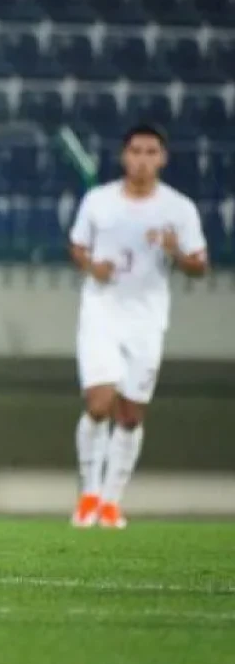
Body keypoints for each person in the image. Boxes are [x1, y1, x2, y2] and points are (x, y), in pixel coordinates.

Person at [68, 123, 208, 530]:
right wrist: (92, 265)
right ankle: (89, 494)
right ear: (124, 156)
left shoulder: (178, 209)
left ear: (162, 158)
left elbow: (200, 265)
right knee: (99, 403)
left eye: (151, 152)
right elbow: (77, 245)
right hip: (101, 312)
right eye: (136, 151)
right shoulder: (98, 201)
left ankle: (112, 501)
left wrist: (175, 252)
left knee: (130, 415)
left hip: (147, 320)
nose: (142, 159)